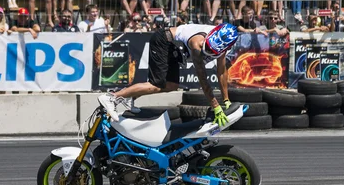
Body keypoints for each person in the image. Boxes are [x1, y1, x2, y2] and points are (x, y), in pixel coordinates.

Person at [98, 22, 240, 128]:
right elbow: (202, 78)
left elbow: (221, 72)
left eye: (212, 50)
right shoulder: (196, 43)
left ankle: (130, 97)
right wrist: (215, 105)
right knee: (157, 83)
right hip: (164, 40)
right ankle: (112, 97)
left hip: (174, 50)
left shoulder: (223, 48)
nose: (207, 50)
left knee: (171, 85)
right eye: (207, 46)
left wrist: (226, 100)